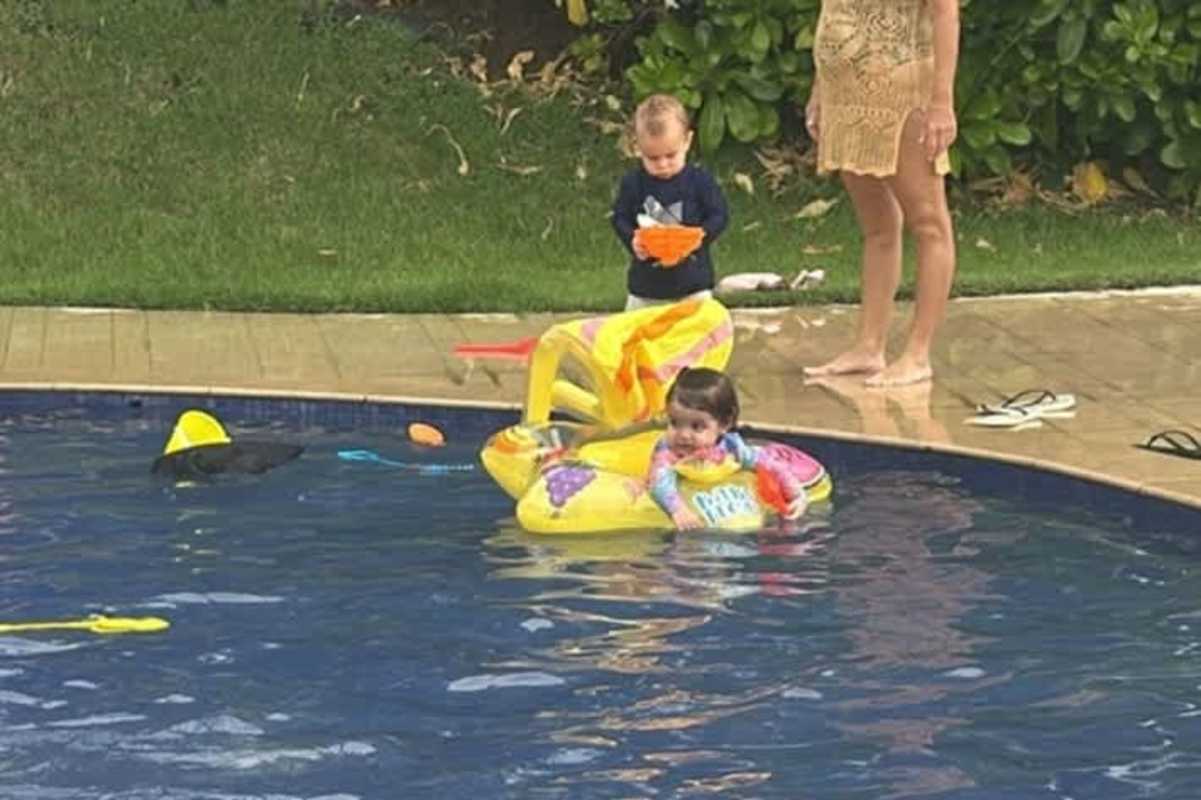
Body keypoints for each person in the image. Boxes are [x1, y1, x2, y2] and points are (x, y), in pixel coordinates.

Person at [803, 0, 960, 387]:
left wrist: (942, 101)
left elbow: (946, 14)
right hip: (847, 92)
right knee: (876, 225)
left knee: (928, 222)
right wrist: (820, 88)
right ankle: (868, 346)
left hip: (905, 93)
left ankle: (918, 354)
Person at [648, 367, 808, 531]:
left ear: (724, 424)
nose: (684, 435)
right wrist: (678, 510)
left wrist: (795, 493)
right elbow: (659, 482)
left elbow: (768, 463)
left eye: (697, 427)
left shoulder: (732, 448)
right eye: (674, 423)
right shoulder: (668, 453)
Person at [612, 94, 729, 311]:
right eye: (653, 158)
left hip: (694, 286)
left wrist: (700, 236)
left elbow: (719, 215)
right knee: (637, 339)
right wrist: (632, 240)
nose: (663, 165)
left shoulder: (699, 181)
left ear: (687, 141)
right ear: (638, 147)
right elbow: (620, 217)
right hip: (645, 289)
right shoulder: (633, 184)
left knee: (698, 339)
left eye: (671, 155)